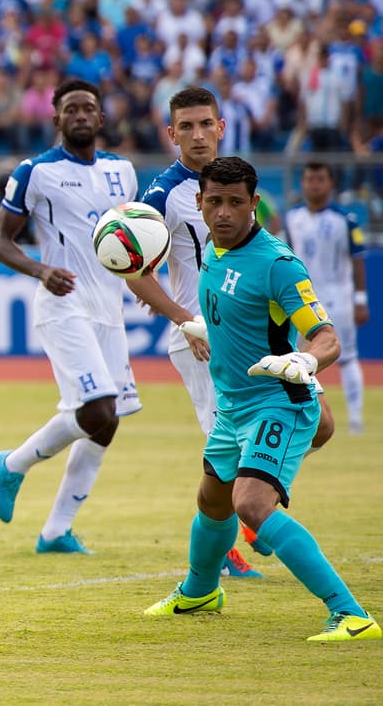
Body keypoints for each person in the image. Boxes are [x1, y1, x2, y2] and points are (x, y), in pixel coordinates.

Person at [143, 156, 380, 643]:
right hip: (232, 404)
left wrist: (308, 362)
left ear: (255, 204)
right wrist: (193, 325)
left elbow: (327, 337)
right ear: (199, 203)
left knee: (249, 503)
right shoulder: (212, 246)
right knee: (211, 502)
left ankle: (351, 615)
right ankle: (200, 591)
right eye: (214, 202)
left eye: (236, 203)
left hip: (278, 400)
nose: (224, 213)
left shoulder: (277, 264)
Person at [0, 78, 142, 554]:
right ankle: (12, 465)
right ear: (56, 120)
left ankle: (56, 530)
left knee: (108, 421)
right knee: (96, 408)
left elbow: (132, 240)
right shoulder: (36, 171)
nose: (79, 115)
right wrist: (40, 269)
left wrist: (143, 282)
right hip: (62, 302)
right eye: (70, 109)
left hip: (108, 308)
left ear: (100, 118)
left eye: (88, 108)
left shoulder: (124, 171)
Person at [130, 86, 271, 579]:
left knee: (305, 425)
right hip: (200, 339)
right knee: (225, 447)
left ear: (221, 127)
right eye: (185, 127)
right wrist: (181, 318)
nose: (196, 135)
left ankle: (254, 514)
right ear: (171, 134)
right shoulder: (160, 194)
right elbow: (133, 269)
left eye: (204, 124)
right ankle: (228, 549)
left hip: (248, 335)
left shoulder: (238, 183)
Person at [284, 162, 369, 435]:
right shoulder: (292, 217)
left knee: (347, 356)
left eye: (320, 179)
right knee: (298, 357)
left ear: (331, 183)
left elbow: (357, 261)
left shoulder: (346, 219)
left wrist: (360, 298)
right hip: (300, 298)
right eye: (309, 179)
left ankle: (355, 419)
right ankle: (303, 417)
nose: (314, 185)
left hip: (337, 296)